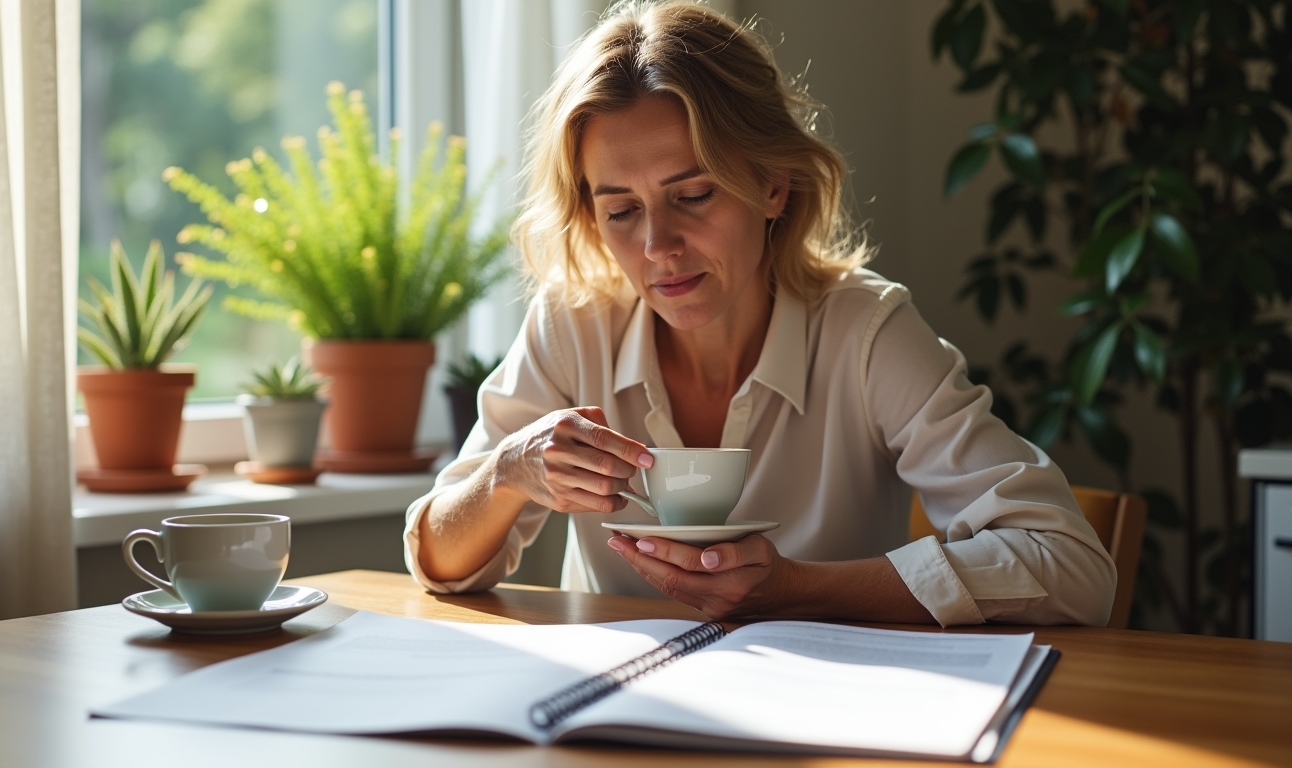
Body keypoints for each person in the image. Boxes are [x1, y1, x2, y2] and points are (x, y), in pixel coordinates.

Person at [403, 0, 1117, 626]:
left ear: (773, 186)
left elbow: (1073, 568)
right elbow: (437, 560)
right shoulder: (572, 326)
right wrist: (507, 474)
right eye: (620, 211)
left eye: (693, 195)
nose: (657, 247)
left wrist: (799, 589)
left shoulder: (865, 333)